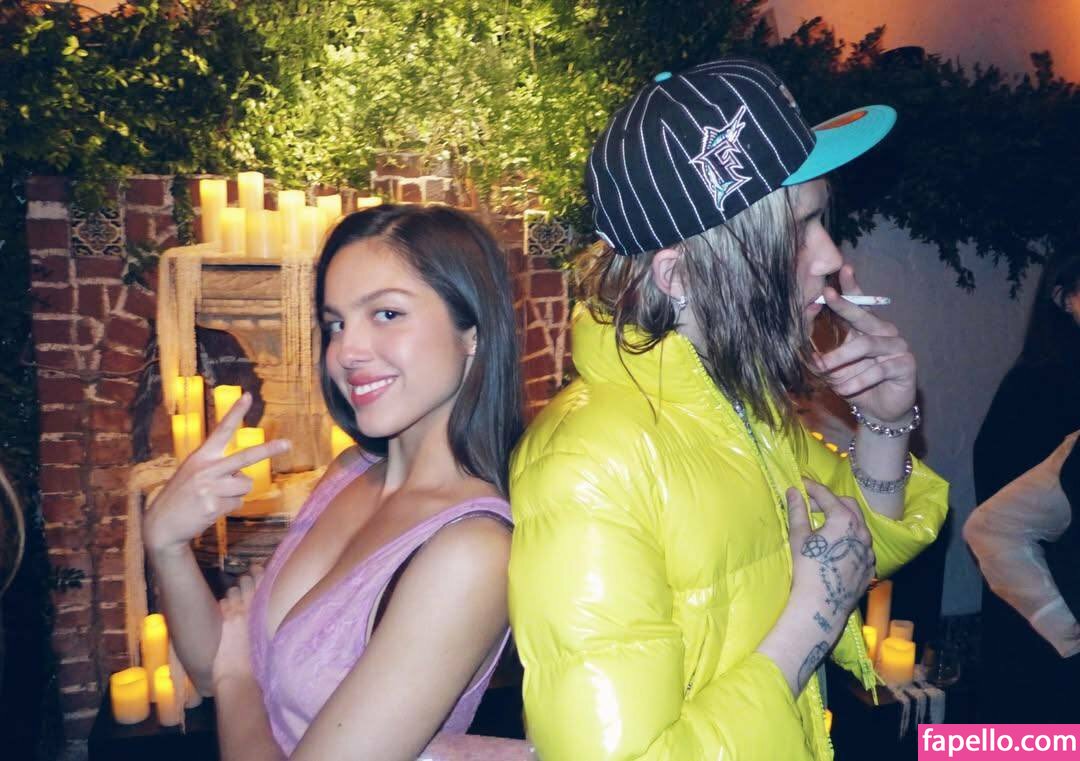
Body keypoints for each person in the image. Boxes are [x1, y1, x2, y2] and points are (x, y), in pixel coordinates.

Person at [507, 59, 949, 760]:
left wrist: (886, 422)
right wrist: (811, 621)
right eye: (797, 230)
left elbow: (857, 548)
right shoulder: (586, 464)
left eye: (822, 220)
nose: (830, 256)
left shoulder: (739, 406)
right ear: (678, 274)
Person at [144, 205, 526, 760]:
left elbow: (230, 672)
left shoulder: (471, 550)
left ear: (473, 331)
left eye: (387, 313)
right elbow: (215, 661)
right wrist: (167, 543)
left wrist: (235, 679)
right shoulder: (351, 472)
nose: (347, 351)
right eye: (336, 324)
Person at [969, 254, 1080, 723]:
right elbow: (996, 523)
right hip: (1042, 603)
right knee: (1033, 733)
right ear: (1063, 298)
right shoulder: (1037, 383)